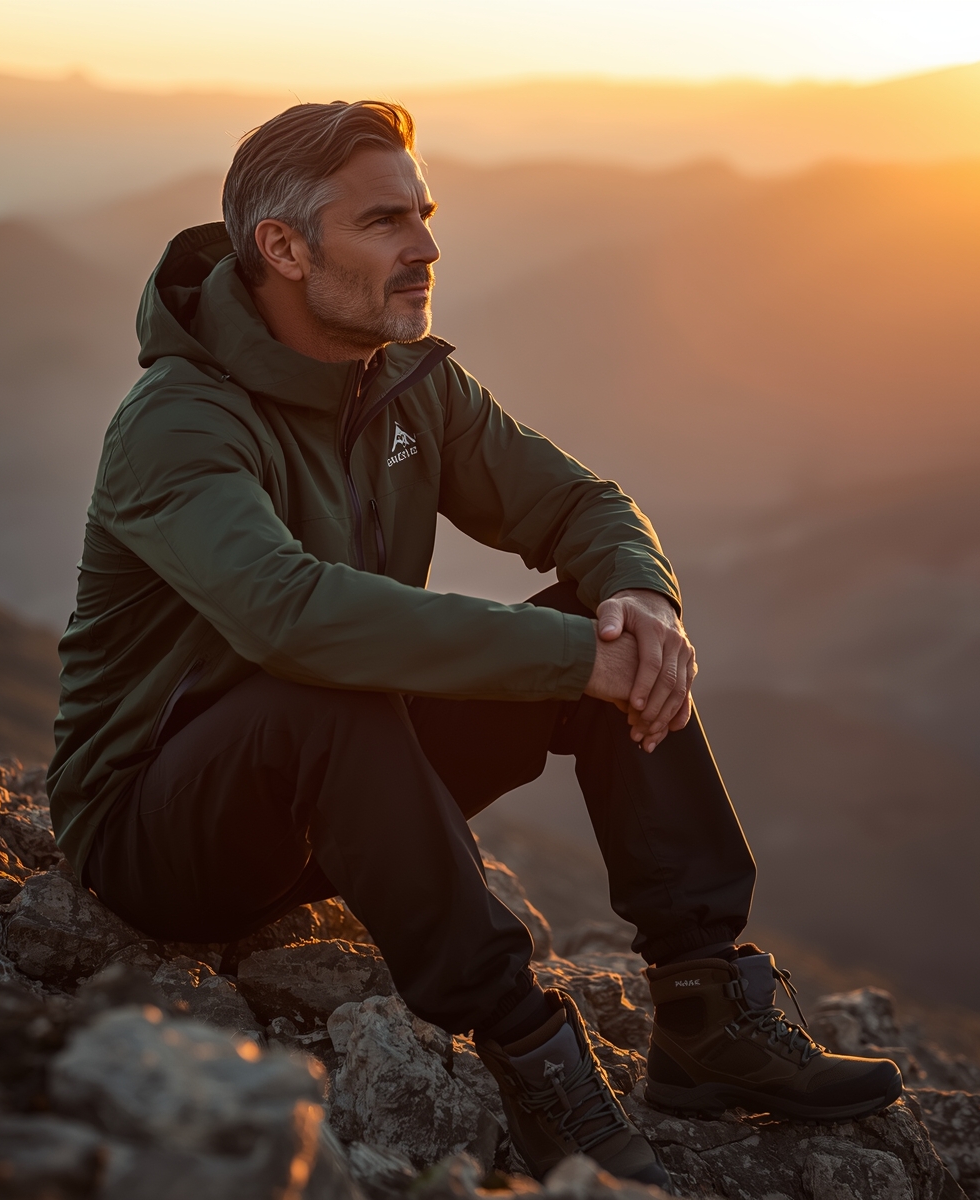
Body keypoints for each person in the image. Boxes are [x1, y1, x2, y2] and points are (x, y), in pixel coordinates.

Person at [49, 100, 902, 1187]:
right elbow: (291, 617)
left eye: (426, 212)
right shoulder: (180, 421)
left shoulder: (407, 385)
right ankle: (530, 1048)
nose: (427, 247)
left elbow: (582, 505)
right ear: (284, 248)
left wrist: (643, 603)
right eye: (386, 222)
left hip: (339, 796)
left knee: (589, 633)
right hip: (156, 831)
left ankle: (705, 1010)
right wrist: (570, 660)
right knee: (343, 684)